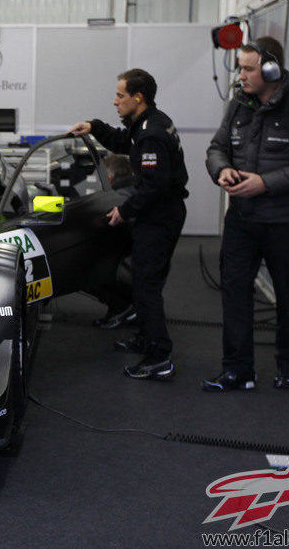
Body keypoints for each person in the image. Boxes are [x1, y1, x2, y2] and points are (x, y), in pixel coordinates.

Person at [202, 36, 289, 391]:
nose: (240, 75)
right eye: (240, 67)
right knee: (234, 291)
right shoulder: (238, 105)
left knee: (288, 294)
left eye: (247, 68)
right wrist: (222, 170)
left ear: (271, 69)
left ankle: (288, 366)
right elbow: (217, 148)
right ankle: (237, 370)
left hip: (284, 220)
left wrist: (266, 183)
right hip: (242, 219)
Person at [68, 68, 188, 380]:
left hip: (160, 216)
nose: (115, 101)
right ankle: (147, 337)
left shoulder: (151, 134)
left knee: (147, 284)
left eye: (120, 95)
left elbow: (152, 186)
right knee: (144, 281)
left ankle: (159, 356)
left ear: (138, 98)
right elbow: (123, 141)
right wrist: (94, 127)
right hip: (157, 212)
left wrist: (124, 210)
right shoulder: (146, 124)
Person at [89, 153, 136, 330]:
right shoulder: (133, 188)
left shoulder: (120, 197)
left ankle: (123, 307)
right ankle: (121, 306)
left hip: (130, 266)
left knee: (83, 268)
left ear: (109, 177)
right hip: (136, 260)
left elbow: (101, 222)